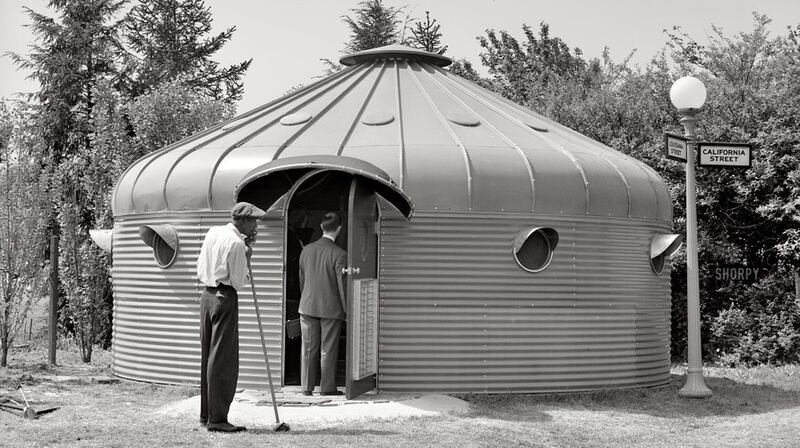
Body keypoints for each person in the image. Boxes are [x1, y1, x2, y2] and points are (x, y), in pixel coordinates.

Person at [196, 201, 265, 432]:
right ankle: (218, 419)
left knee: (208, 355)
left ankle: (207, 414)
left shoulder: (214, 232)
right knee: (223, 358)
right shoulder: (237, 244)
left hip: (206, 296)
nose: (256, 226)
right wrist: (249, 256)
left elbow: (201, 264)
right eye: (253, 220)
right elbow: (238, 281)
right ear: (242, 220)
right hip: (225, 296)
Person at [298, 211, 347, 396]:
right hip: (331, 309)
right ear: (339, 229)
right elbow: (342, 286)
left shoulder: (306, 250)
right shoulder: (340, 254)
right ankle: (327, 388)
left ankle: (306, 387)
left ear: (321, 227)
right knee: (328, 349)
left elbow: (302, 280)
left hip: (307, 306)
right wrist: (347, 310)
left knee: (308, 348)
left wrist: (306, 299)